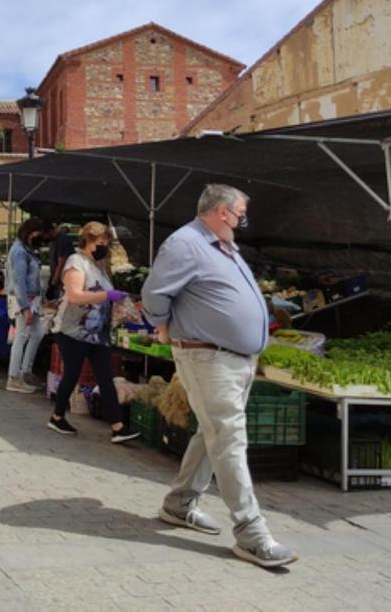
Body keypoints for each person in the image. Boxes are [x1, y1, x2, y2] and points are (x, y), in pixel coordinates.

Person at [141, 184, 297, 569]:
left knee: (211, 432)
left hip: (235, 360)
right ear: (223, 211)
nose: (244, 218)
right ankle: (251, 532)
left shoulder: (223, 245)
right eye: (241, 210)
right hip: (207, 358)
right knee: (228, 439)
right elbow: (153, 294)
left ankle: (179, 504)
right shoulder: (185, 243)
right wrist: (162, 325)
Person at [47, 221, 139, 444]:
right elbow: (76, 295)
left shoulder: (99, 266)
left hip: (97, 334)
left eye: (107, 243)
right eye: (101, 243)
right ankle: (57, 416)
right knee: (72, 374)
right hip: (72, 330)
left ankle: (118, 427)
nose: (104, 247)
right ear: (87, 242)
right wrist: (107, 296)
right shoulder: (75, 262)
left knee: (106, 377)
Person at [5, 217, 48, 393]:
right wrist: (25, 308)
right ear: (30, 232)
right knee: (21, 336)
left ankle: (26, 371)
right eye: (39, 232)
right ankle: (13, 377)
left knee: (38, 333)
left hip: (32, 299)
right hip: (24, 299)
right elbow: (18, 281)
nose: (41, 236)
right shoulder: (19, 252)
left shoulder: (27, 250)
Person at [47, 223, 75, 301]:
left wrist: (53, 283)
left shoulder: (62, 240)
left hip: (62, 281)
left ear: (50, 231)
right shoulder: (53, 241)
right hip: (57, 279)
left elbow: (61, 263)